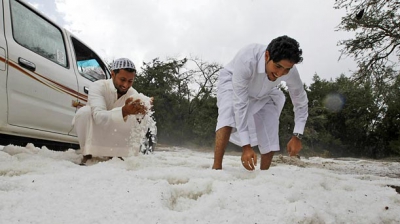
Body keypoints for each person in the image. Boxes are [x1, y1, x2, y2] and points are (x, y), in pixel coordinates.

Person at [212, 35, 308, 171]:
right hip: (233, 83)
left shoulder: (290, 71)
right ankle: (216, 168)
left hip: (265, 92)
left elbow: (300, 101)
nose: (280, 74)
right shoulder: (247, 58)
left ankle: (264, 174)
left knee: (271, 119)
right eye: (278, 66)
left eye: (286, 69)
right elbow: (240, 104)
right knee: (229, 110)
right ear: (267, 56)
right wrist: (246, 146)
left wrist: (297, 135)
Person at [73, 58, 150, 165]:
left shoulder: (133, 93)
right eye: (122, 79)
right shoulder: (98, 86)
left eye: (130, 81)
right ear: (112, 74)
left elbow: (138, 124)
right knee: (84, 112)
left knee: (139, 118)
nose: (125, 85)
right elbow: (99, 117)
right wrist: (124, 111)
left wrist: (143, 112)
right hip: (96, 130)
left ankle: (118, 154)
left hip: (115, 136)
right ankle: (87, 153)